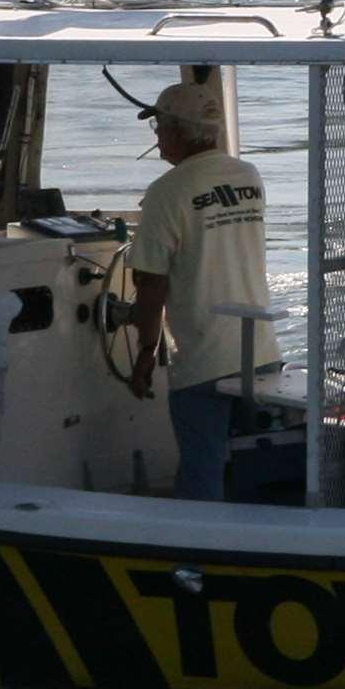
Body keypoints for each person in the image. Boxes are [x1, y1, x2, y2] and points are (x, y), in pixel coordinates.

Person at [123, 74, 277, 501]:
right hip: (258, 350)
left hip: (202, 358)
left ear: (176, 131)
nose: (157, 138)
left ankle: (195, 558)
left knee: (201, 468)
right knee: (253, 462)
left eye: (159, 128)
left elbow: (150, 282)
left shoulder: (166, 193)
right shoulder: (248, 175)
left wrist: (145, 351)